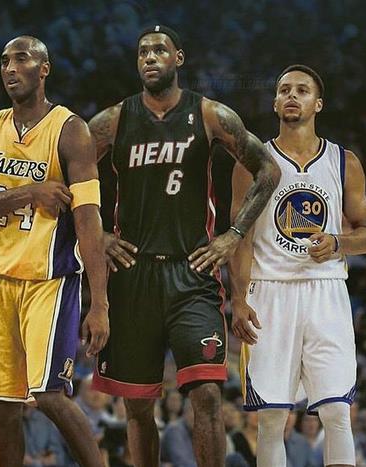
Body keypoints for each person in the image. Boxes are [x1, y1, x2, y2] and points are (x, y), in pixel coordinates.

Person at [88, 25, 280, 466]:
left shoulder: (210, 114)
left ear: (179, 58)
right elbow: (62, 176)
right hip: (132, 274)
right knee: (138, 406)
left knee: (208, 395)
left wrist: (233, 235)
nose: (149, 57)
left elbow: (268, 170)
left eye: (160, 50)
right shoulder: (113, 120)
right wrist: (98, 235)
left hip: (191, 273)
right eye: (142, 51)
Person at [0, 35, 108, 466]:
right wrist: (29, 193)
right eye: (4, 60)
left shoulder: (70, 130)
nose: (10, 68)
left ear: (44, 69)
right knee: (2, 409)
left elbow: (88, 221)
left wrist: (99, 303)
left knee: (49, 395)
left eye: (21, 59)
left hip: (49, 281)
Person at [229, 64, 366, 466]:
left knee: (337, 413)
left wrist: (338, 243)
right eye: (284, 90)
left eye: (302, 90)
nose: (292, 96)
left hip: (326, 291)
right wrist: (237, 300)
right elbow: (239, 239)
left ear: (318, 104)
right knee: (271, 418)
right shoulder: (252, 162)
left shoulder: (344, 162)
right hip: (269, 291)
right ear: (275, 103)